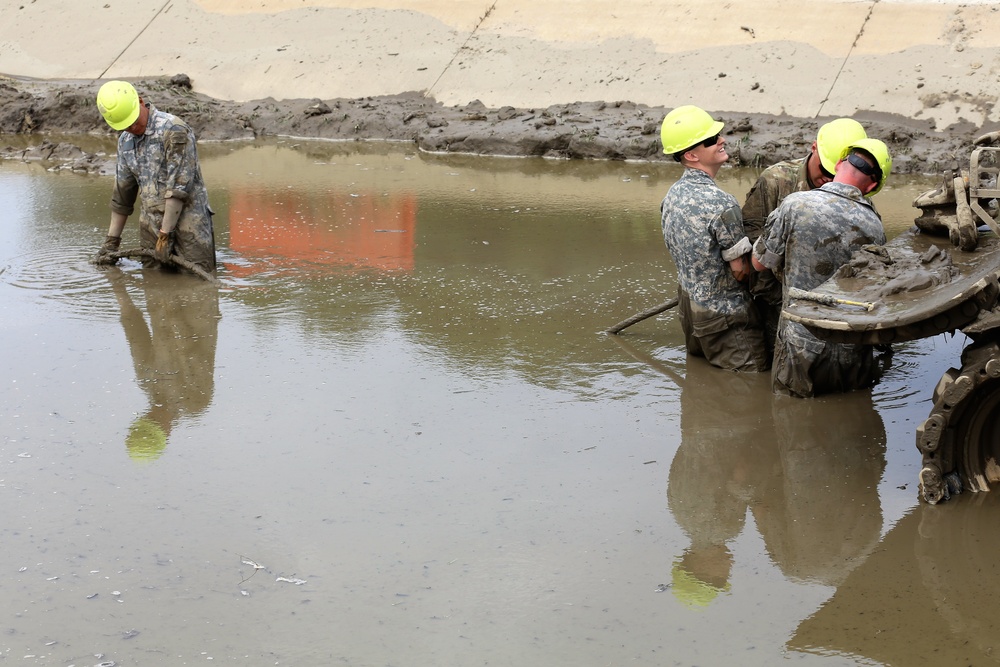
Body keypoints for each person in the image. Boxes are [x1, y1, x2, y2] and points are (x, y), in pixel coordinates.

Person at [751, 138, 892, 397]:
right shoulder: (875, 225)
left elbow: (759, 263)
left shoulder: (795, 205)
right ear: (871, 186)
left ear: (838, 163)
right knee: (851, 416)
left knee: (789, 418)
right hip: (852, 348)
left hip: (800, 345)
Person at [741, 118, 868, 352]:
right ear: (813, 148)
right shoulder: (776, 181)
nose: (831, 180)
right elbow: (751, 238)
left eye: (837, 173)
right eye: (825, 170)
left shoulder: (856, 191)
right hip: (775, 297)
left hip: (831, 301)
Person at [659, 105, 768, 372]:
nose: (722, 140)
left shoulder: (671, 196)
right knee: (752, 383)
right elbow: (741, 271)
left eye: (718, 134)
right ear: (691, 155)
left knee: (699, 392)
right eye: (711, 140)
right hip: (725, 317)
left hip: (689, 310)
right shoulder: (721, 203)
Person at [94, 80, 216, 274]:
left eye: (134, 121)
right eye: (125, 126)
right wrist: (111, 243)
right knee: (154, 289)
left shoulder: (173, 130)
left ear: (141, 102)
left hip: (189, 226)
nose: (132, 127)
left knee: (196, 287)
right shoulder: (125, 142)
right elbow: (122, 196)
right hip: (151, 227)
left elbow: (178, 189)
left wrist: (165, 236)